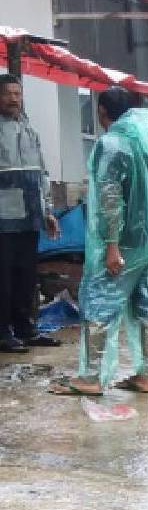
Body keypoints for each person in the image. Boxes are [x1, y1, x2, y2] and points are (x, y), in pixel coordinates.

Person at [48, 87, 148, 396]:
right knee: (146, 305)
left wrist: (112, 245)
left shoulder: (112, 144)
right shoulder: (147, 144)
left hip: (121, 243)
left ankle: (90, 378)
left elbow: (110, 198)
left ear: (102, 112)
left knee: (99, 303)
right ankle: (146, 374)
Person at [0, 73, 61, 353]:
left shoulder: (27, 128)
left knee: (26, 274)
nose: (14, 99)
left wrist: (47, 210)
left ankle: (26, 328)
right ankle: (3, 332)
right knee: (4, 276)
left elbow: (41, 172)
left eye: (18, 94)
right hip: (3, 219)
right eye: (8, 94)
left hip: (29, 217)